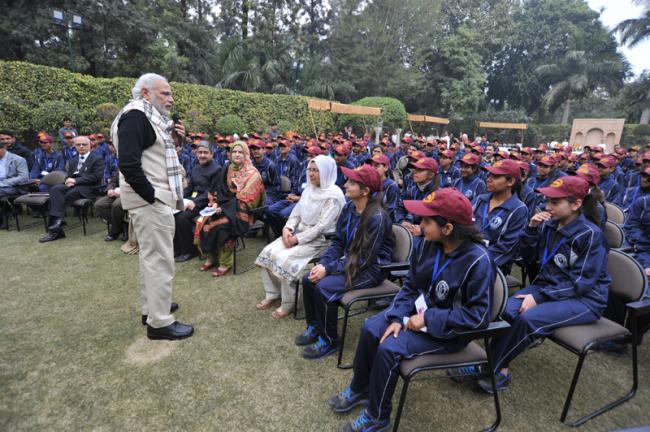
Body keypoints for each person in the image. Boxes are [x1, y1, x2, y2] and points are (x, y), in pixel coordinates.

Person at [328, 188, 494, 432]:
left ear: (447, 228)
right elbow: (412, 286)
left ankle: (377, 417)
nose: (420, 225)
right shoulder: (429, 245)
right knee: (372, 327)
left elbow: (478, 317)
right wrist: (396, 317)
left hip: (450, 332)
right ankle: (360, 388)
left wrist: (427, 318)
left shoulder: (479, 261)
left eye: (427, 221)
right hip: (418, 316)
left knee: (390, 348)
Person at [463, 176, 610, 393]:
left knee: (528, 319)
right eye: (548, 201)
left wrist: (539, 298)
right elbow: (528, 258)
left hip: (585, 299)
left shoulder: (590, 235)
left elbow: (582, 282)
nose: (548, 207)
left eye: (555, 202)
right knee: (505, 311)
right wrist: (531, 229)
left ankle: (489, 366)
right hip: (548, 286)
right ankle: (499, 367)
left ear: (576, 204)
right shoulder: (549, 225)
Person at [112, 72, 193, 340]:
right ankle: (159, 323)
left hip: (149, 198)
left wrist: (175, 139)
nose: (170, 99)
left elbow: (151, 155)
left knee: (151, 258)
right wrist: (153, 196)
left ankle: (152, 309)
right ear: (145, 93)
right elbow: (129, 164)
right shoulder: (136, 116)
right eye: (164, 93)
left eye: (170, 93)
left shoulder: (148, 118)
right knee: (160, 261)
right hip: (150, 199)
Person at [295, 165, 393, 360]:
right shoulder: (349, 207)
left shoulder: (377, 217)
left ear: (365, 191)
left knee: (324, 288)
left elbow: (364, 259)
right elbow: (338, 242)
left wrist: (330, 269)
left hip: (371, 269)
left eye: (352, 183)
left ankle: (330, 340)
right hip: (351, 262)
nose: (346, 185)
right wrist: (323, 264)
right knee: (309, 279)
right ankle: (315, 325)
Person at [255, 155, 345, 318]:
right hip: (298, 234)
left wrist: (297, 239)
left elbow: (321, 227)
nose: (311, 174)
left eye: (316, 170)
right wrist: (287, 229)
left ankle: (288, 304)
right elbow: (296, 212)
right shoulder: (310, 189)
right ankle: (273, 294)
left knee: (285, 259)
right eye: (310, 169)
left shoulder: (334, 196)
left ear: (326, 172)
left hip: (321, 241)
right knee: (268, 252)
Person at [195, 141, 266, 277]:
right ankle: (212, 256)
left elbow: (246, 199)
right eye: (234, 151)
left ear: (246, 154)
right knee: (203, 221)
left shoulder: (253, 174)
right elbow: (218, 190)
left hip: (243, 213)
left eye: (240, 152)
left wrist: (223, 208)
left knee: (221, 226)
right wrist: (215, 203)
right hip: (225, 207)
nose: (237, 154)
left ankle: (225, 262)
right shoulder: (227, 168)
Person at [38, 136, 104, 243]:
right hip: (73, 185)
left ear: (90, 145)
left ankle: (56, 229)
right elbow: (68, 175)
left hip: (89, 188)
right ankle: (59, 222)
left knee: (66, 196)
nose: (81, 146)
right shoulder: (73, 160)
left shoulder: (97, 159)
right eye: (78, 145)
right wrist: (67, 179)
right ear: (75, 146)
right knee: (55, 189)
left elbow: (96, 176)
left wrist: (76, 181)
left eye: (84, 144)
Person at [473, 159, 528, 275]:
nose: (488, 179)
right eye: (489, 175)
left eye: (496, 176)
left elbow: (506, 249)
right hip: (470, 254)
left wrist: (476, 262)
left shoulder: (518, 209)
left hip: (494, 264)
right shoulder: (481, 199)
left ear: (510, 181)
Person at [173, 141, 221, 262]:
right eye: (200, 152)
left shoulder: (217, 170)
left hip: (207, 203)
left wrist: (194, 202)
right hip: (193, 199)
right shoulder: (196, 168)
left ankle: (190, 250)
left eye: (205, 153)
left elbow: (211, 192)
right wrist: (179, 197)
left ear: (212, 154)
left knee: (181, 217)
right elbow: (190, 187)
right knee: (172, 213)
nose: (202, 155)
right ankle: (177, 248)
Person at [395, 157, 439, 239]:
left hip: (427, 238)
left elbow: (439, 223)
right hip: (409, 232)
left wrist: (422, 230)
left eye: (420, 170)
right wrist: (402, 221)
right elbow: (399, 208)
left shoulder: (438, 195)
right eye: (415, 169)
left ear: (431, 174)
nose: (414, 172)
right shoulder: (411, 190)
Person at [0, 140, 29, 229]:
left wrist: (3, 183)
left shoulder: (18, 159)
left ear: (2, 149)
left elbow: (24, 177)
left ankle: (3, 218)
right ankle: (6, 213)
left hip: (14, 186)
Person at [93, 169, 126, 242]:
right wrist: (110, 189)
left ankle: (114, 232)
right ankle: (124, 226)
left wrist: (122, 191)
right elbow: (113, 180)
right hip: (116, 192)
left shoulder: (137, 163)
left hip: (129, 193)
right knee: (98, 204)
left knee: (116, 205)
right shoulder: (121, 164)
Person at [366, 154, 400, 223]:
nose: (373, 168)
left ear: (386, 168)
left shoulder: (392, 186)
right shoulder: (368, 183)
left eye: (377, 166)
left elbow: (390, 210)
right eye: (371, 166)